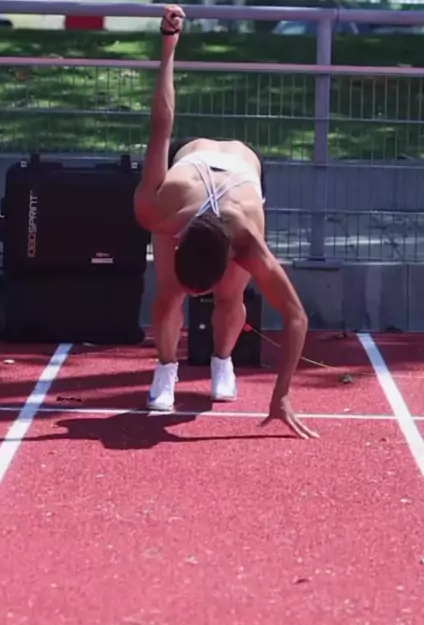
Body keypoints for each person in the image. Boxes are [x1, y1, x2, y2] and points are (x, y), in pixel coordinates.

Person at [134, 4, 318, 439]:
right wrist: (168, 46)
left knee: (230, 296)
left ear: (232, 253)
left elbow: (297, 317)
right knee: (168, 293)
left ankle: (222, 360)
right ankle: (165, 367)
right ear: (177, 238)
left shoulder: (247, 239)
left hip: (242, 167)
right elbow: (161, 126)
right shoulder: (156, 211)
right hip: (192, 162)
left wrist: (282, 396)